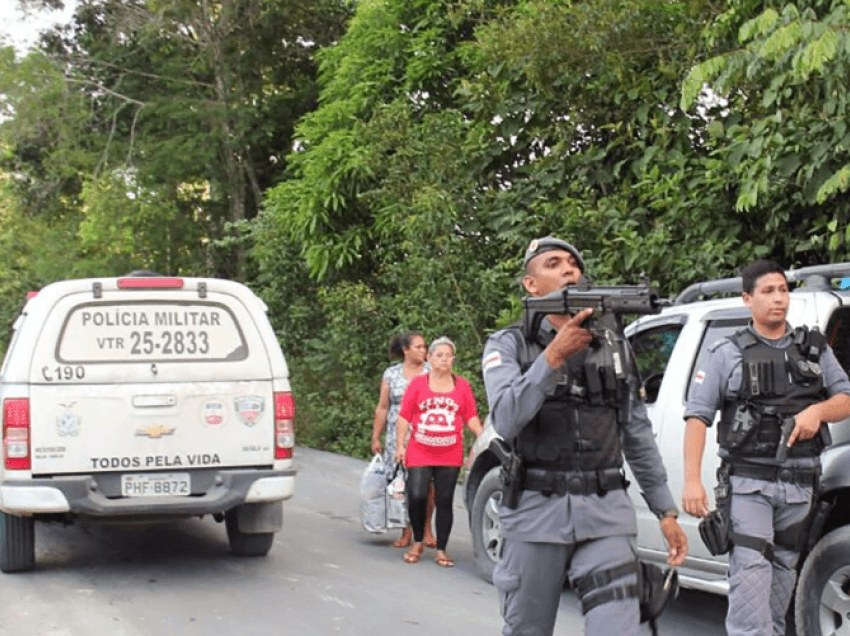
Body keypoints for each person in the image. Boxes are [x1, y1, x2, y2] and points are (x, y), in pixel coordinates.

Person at [481, 236, 687, 636]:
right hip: (535, 513)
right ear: (531, 285)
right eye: (553, 264)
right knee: (527, 629)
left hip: (605, 512)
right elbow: (506, 420)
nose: (568, 270)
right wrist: (552, 358)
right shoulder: (509, 344)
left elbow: (636, 431)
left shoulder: (613, 345)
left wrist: (666, 511)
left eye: (573, 264)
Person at [682, 258, 850, 636]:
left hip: (799, 487)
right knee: (750, 589)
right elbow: (697, 418)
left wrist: (817, 412)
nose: (779, 299)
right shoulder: (727, 352)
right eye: (768, 291)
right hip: (748, 486)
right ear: (747, 299)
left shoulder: (813, 348)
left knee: (779, 595)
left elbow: (846, 398)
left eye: (783, 290)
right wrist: (692, 480)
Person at [395, 336, 483, 567]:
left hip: (450, 452)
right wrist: (399, 447)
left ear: (453, 359)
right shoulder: (417, 384)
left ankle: (442, 548)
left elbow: (470, 416)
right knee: (417, 495)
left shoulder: (462, 385)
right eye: (439, 355)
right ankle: (417, 540)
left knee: (444, 499)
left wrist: (483, 440)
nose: (444, 360)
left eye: (448, 356)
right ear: (429, 358)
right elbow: (404, 416)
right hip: (419, 449)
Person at [371, 331, 436, 548]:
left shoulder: (432, 372)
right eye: (418, 347)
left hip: (426, 432)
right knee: (403, 484)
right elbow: (382, 407)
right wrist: (375, 437)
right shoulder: (391, 374)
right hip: (396, 436)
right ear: (405, 350)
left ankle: (426, 528)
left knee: (428, 483)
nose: (423, 351)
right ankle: (406, 530)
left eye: (424, 347)